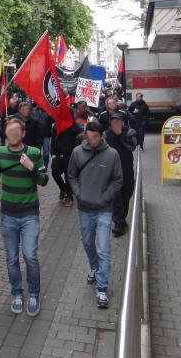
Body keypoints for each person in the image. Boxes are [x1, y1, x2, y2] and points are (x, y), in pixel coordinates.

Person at [0, 118, 48, 317]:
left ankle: (34, 294)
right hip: (8, 215)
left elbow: (44, 181)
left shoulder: (35, 153)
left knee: (30, 255)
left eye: (15, 133)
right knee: (12, 258)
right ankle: (17, 293)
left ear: (22, 134)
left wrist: (31, 168)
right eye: (8, 133)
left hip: (30, 214)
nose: (11, 136)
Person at [67, 120, 123, 309]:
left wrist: (105, 197)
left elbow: (118, 180)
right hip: (84, 208)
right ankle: (94, 266)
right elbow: (72, 175)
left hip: (104, 210)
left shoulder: (112, 154)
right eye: (88, 137)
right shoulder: (77, 153)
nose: (91, 141)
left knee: (103, 249)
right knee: (88, 243)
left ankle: (102, 289)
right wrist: (78, 193)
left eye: (95, 137)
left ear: (101, 136)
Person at [105, 115, 137, 236]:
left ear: (122, 122)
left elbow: (132, 147)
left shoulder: (129, 132)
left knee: (126, 197)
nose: (116, 124)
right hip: (113, 173)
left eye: (118, 122)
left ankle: (122, 219)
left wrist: (120, 135)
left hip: (127, 171)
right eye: (113, 122)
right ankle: (118, 223)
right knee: (116, 199)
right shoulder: (106, 135)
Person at [50, 114, 84, 207]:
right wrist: (52, 153)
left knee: (68, 177)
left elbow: (81, 138)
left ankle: (69, 197)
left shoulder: (75, 126)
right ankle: (63, 189)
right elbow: (52, 141)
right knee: (55, 173)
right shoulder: (56, 126)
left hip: (70, 155)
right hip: (57, 155)